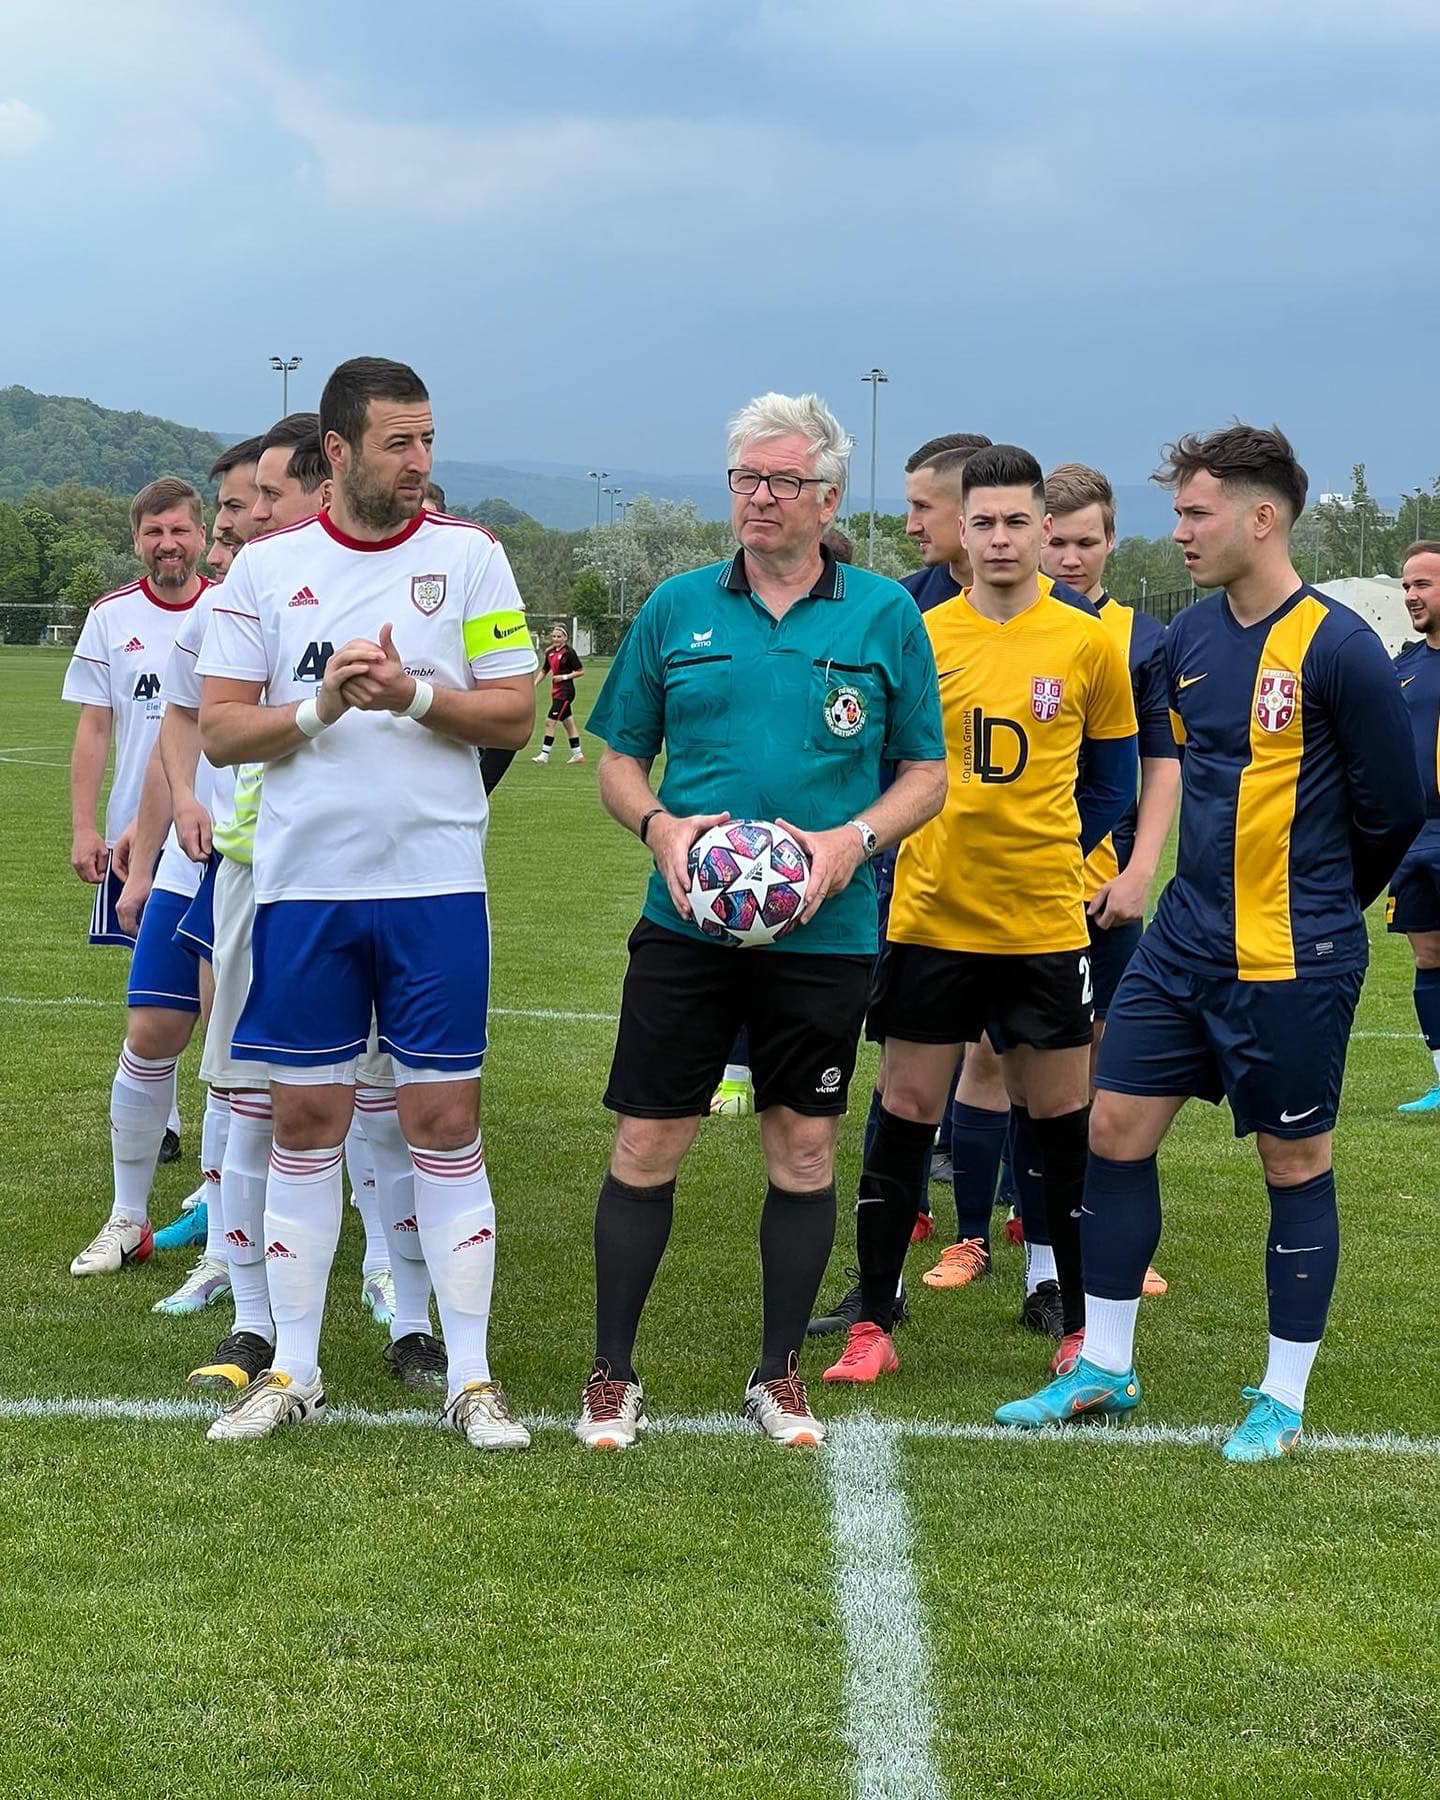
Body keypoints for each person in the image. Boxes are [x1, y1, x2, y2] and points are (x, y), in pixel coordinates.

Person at [997, 425, 1422, 1461]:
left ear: (1261, 518)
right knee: (1112, 1131)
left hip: (1291, 959)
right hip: (1182, 945)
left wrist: (1318, 909)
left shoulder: (1339, 648)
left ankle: (1281, 1396)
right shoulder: (1186, 642)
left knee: (1293, 1160)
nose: (1179, 531)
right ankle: (1105, 1366)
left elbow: (1396, 811)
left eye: (1196, 513)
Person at [575, 391, 947, 1449]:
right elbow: (615, 759)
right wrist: (659, 832)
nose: (761, 499)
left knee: (805, 1148)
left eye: (784, 482)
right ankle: (612, 1375)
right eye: (746, 479)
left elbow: (925, 773)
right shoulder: (676, 607)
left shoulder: (883, 616)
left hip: (826, 935)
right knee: (648, 1141)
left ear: (829, 499)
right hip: (685, 925)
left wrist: (847, 847)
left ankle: (777, 1374)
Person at [197, 357, 537, 1449]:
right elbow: (221, 728)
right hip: (306, 894)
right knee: (305, 1119)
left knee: (444, 1121)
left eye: (428, 439)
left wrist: (415, 695)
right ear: (338, 453)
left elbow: (513, 713)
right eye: (399, 443)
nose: (421, 463)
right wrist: (321, 710)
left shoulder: (470, 558)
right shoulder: (265, 569)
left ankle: (472, 1378)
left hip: (435, 888)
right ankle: (293, 1369)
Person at [824, 444, 1137, 1387]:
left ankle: (1080, 1321)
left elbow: (1113, 780)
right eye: (983, 522)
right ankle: (874, 1317)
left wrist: (1051, 853)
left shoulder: (1089, 642)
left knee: (1060, 1114)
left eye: (1016, 522)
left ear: (1045, 530)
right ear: (961, 530)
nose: (999, 538)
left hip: (1043, 923)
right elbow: (888, 770)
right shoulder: (922, 634)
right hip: (930, 917)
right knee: (907, 1105)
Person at [1039, 462, 1181, 1312]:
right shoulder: (1001, 623)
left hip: (1105, 889)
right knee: (1013, 1067)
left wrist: (1139, 869)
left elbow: (1160, 765)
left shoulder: (1143, 638)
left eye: (1086, 541)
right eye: (1056, 540)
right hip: (1017, 891)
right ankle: (1022, 1243)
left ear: (1111, 541)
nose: (1069, 557)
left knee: (1109, 1068)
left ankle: (1103, 1231)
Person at [63, 478, 211, 1277]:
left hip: (218, 839)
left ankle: (218, 1186)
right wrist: (88, 826)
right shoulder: (111, 615)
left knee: (223, 1015)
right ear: (137, 541)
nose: (168, 544)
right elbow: (95, 725)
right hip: (135, 842)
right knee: (153, 1010)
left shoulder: (232, 606)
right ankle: (165, 1138)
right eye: (153, 531)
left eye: (179, 530)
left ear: (198, 535)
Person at [1388, 542, 1440, 1113]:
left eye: (1422, 584)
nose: (1410, 596)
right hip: (1415, 836)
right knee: (1429, 955)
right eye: (1406, 586)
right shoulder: (1400, 667)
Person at [532, 623, 585, 764]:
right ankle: (578, 754)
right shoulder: (550, 652)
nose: (556, 639)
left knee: (550, 722)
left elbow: (580, 671)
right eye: (554, 636)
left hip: (565, 692)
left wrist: (564, 677)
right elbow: (544, 671)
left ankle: (544, 755)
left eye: (559, 636)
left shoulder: (569, 653)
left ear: (565, 638)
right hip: (556, 692)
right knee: (568, 722)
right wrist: (534, 685)